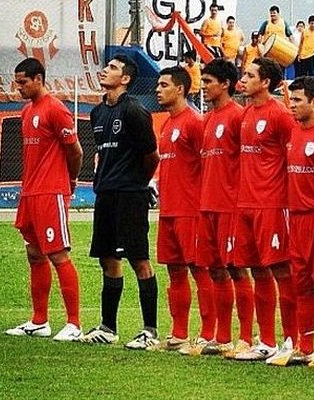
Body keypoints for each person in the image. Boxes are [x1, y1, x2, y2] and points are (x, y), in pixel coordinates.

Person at [79, 55, 160, 349]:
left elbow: (152, 155)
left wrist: (138, 183)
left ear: (125, 79)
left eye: (112, 68)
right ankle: (108, 327)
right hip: (105, 194)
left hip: (130, 194)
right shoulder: (97, 113)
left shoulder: (135, 111)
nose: (105, 70)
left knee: (139, 259)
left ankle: (149, 331)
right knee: (107, 259)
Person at [267, 76, 314, 367]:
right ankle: (306, 347)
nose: (292, 106)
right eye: (291, 100)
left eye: (298, 100)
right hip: (294, 216)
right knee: (301, 284)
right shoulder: (293, 132)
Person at [5, 57, 83, 342]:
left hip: (51, 192)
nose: (19, 88)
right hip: (30, 193)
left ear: (39, 79)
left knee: (58, 254)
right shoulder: (27, 112)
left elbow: (75, 152)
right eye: (17, 83)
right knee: (34, 253)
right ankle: (40, 321)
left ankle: (74, 323)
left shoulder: (56, 109)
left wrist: (69, 183)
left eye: (23, 82)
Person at [233, 57, 297, 361]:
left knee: (282, 270)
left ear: (266, 82)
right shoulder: (246, 114)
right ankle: (267, 340)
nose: (243, 79)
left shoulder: (280, 115)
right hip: (245, 203)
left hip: (271, 204)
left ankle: (291, 340)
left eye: (250, 75)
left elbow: (293, 159)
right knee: (257, 270)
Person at [193, 58, 255, 358]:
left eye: (207, 82)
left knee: (237, 270)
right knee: (215, 270)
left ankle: (246, 337)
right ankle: (222, 337)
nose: (203, 87)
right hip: (207, 205)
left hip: (230, 206)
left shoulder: (238, 117)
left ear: (225, 84)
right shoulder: (208, 120)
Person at [154, 66, 216, 352]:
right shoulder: (167, 124)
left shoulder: (194, 122)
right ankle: (178, 333)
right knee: (175, 271)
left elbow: (208, 167)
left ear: (180, 89)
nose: (158, 89)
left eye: (164, 84)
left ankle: (207, 334)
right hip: (168, 210)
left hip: (191, 211)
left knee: (200, 271)